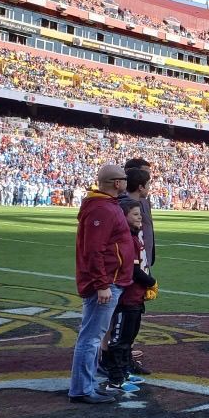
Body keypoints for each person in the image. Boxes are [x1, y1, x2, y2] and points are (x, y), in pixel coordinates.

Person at [69, 164, 136, 404]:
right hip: (106, 281)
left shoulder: (106, 206)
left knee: (93, 336)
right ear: (116, 183)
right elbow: (94, 250)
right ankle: (81, 389)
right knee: (91, 337)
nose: (127, 183)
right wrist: (102, 283)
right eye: (124, 179)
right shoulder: (102, 209)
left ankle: (86, 385)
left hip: (109, 279)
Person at [100, 198, 157, 391]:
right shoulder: (126, 239)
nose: (139, 217)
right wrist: (151, 282)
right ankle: (115, 379)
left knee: (129, 338)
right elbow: (132, 270)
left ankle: (123, 373)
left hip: (136, 296)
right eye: (134, 214)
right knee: (120, 339)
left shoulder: (135, 236)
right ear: (123, 217)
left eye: (140, 214)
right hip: (127, 296)